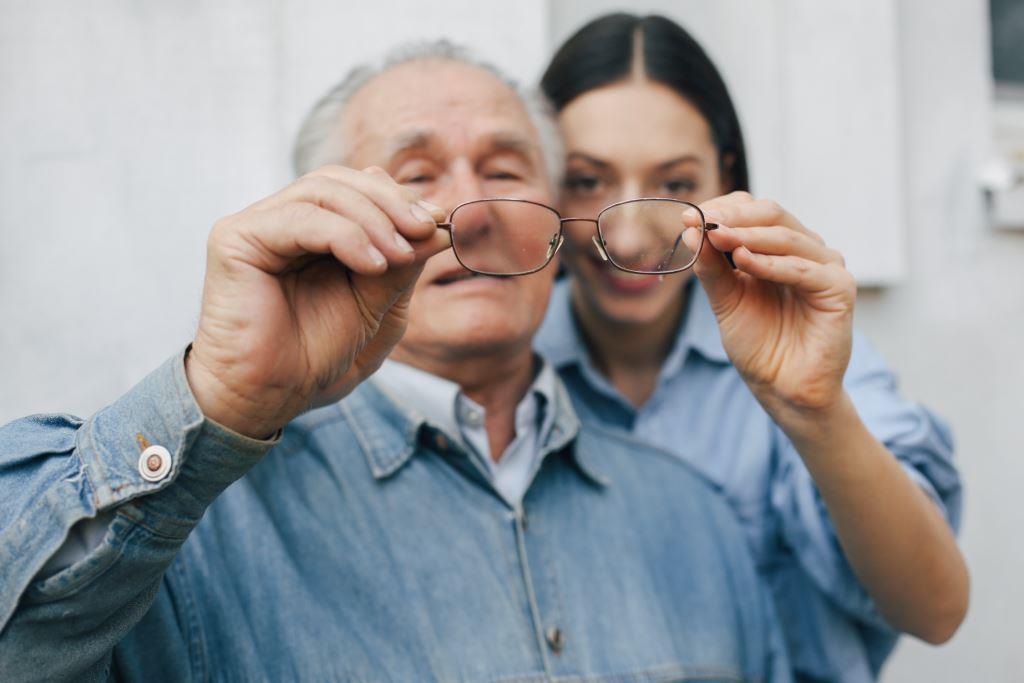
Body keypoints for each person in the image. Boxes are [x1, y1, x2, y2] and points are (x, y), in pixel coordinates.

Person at [0, 42, 792, 681]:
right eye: (414, 176)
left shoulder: (700, 521)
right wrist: (216, 399)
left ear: (560, 236)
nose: (465, 213)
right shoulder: (184, 530)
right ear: (326, 220)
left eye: (506, 173)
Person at [535, 13, 968, 682]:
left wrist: (815, 411)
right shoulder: (505, 361)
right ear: (543, 182)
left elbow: (936, 609)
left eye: (675, 185)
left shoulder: (802, 346)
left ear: (724, 179)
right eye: (588, 181)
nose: (625, 239)